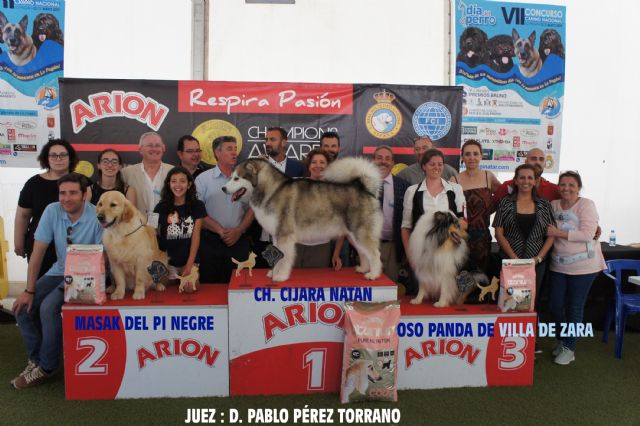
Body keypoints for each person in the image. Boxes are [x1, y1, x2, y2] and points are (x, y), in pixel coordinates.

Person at [11, 173, 103, 389]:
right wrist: (29, 290)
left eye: (73, 193)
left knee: (48, 308)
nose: (67, 198)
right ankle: (37, 361)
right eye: (63, 193)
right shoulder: (52, 210)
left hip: (88, 274)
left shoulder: (98, 214)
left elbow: (102, 258)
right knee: (22, 308)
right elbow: (38, 252)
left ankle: (47, 367)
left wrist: (73, 281)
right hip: (59, 271)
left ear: (84, 195)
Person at [546, 171, 606, 365]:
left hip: (584, 266)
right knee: (555, 305)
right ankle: (563, 340)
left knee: (574, 307)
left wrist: (557, 232)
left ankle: (570, 347)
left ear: (578, 187)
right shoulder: (553, 205)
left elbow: (588, 234)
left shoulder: (586, 205)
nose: (566, 188)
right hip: (558, 263)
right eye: (563, 184)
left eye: (571, 185)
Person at [493, 163, 555, 307]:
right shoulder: (505, 203)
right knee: (511, 304)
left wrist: (538, 258)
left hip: (536, 264)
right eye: (521, 178)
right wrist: (514, 259)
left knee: (531, 303)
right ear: (515, 180)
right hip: (510, 262)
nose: (525, 181)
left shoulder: (544, 205)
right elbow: (499, 233)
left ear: (535, 181)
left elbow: (551, 235)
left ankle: (531, 329)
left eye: (529, 178)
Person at [15, 139, 78, 279]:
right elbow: (23, 215)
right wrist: (19, 242)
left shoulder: (82, 182)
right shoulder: (33, 184)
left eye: (63, 155)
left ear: (70, 158)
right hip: (40, 246)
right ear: (46, 158)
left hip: (73, 246)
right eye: (53, 155)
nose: (58, 159)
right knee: (39, 289)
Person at [195, 136, 255, 283]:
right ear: (217, 153)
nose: (234, 153)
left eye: (235, 149)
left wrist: (239, 230)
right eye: (229, 149)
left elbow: (252, 209)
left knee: (240, 286)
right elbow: (197, 212)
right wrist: (220, 230)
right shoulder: (203, 179)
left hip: (238, 240)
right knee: (210, 286)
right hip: (210, 241)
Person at [401, 149, 466, 267]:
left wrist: (454, 229)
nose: (437, 167)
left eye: (440, 164)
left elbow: (464, 221)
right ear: (424, 166)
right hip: (421, 256)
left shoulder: (456, 189)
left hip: (449, 255)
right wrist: (410, 256)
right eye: (432, 164)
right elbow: (406, 227)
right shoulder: (412, 191)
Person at [450, 139, 501, 275]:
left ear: (481, 156)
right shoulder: (454, 180)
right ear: (462, 157)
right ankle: (462, 297)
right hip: (461, 238)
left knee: (482, 277)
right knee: (463, 275)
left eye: (475, 153)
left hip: (483, 238)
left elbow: (503, 198)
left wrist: (489, 210)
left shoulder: (488, 176)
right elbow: (450, 210)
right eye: (467, 154)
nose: (471, 157)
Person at [154, 166, 206, 292]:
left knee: (189, 288)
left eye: (182, 181)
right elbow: (151, 234)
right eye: (174, 181)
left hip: (188, 260)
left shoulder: (198, 206)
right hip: (166, 261)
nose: (178, 185)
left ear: (189, 185)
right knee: (161, 290)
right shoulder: (159, 207)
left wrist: (189, 265)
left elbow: (196, 237)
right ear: (168, 184)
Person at [293, 149, 342, 269]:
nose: (318, 166)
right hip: (294, 247)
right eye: (314, 162)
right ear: (309, 166)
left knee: (316, 284)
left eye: (322, 162)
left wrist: (336, 254)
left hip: (320, 250)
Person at [372, 145, 410, 282]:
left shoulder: (404, 186)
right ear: (373, 161)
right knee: (369, 287)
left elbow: (408, 220)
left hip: (394, 247)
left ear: (393, 163)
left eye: (388, 159)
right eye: (379, 158)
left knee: (390, 286)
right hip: (369, 246)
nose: (383, 161)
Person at [121, 131, 173, 217]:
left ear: (163, 148)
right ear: (140, 150)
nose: (154, 149)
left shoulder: (174, 171)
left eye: (157, 145)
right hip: (137, 227)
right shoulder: (126, 173)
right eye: (150, 145)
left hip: (167, 226)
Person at [493, 148, 560, 203]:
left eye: (541, 159)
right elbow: (490, 209)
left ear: (545, 164)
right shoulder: (508, 186)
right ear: (526, 162)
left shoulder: (553, 189)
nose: (538, 162)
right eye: (533, 159)